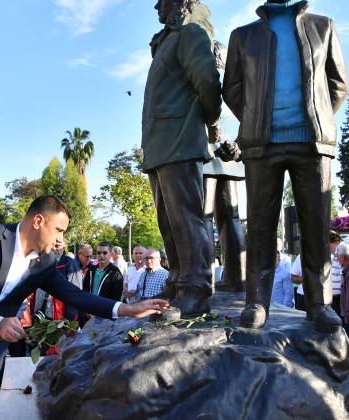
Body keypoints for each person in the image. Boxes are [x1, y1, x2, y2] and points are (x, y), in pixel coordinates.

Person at [0, 195, 168, 419]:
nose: (61, 240)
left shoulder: (45, 264)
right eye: (59, 230)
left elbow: (75, 295)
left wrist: (128, 309)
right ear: (38, 222)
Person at [220, 0, 347, 333]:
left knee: (316, 227)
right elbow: (231, 89)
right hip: (262, 144)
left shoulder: (323, 26)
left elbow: (338, 84)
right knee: (260, 226)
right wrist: (256, 120)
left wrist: (317, 116)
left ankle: (319, 305)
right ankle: (257, 302)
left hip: (312, 143)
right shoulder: (242, 36)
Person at [142, 0, 221, 316]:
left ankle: (195, 286)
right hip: (159, 142)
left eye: (161, 0)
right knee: (167, 220)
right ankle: (177, 279)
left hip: (180, 138)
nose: (156, 6)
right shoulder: (167, 40)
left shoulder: (190, 32)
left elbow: (207, 80)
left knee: (186, 218)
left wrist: (205, 119)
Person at [205, 40, 247, 294]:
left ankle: (204, 279)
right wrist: (238, 145)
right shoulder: (234, 87)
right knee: (230, 217)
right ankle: (237, 276)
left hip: (208, 155)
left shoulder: (207, 82)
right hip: (231, 155)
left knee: (204, 218)